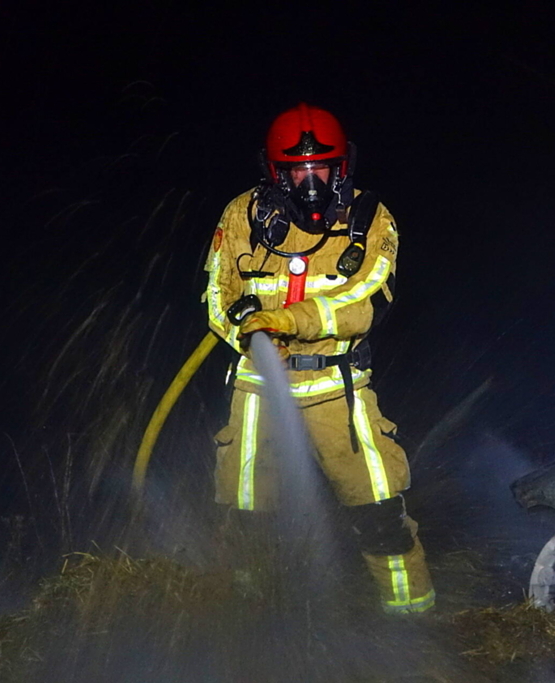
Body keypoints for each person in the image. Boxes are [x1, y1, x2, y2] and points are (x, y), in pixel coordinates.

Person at [203, 103, 434, 614]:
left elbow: (369, 301)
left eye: (321, 169)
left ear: (342, 167)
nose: (311, 183)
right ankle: (247, 622)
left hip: (339, 392)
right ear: (275, 173)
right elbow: (217, 298)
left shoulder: (372, 221)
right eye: (297, 171)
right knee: (246, 519)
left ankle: (412, 619)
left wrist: (288, 322)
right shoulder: (241, 216)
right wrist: (246, 334)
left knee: (380, 515)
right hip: (257, 392)